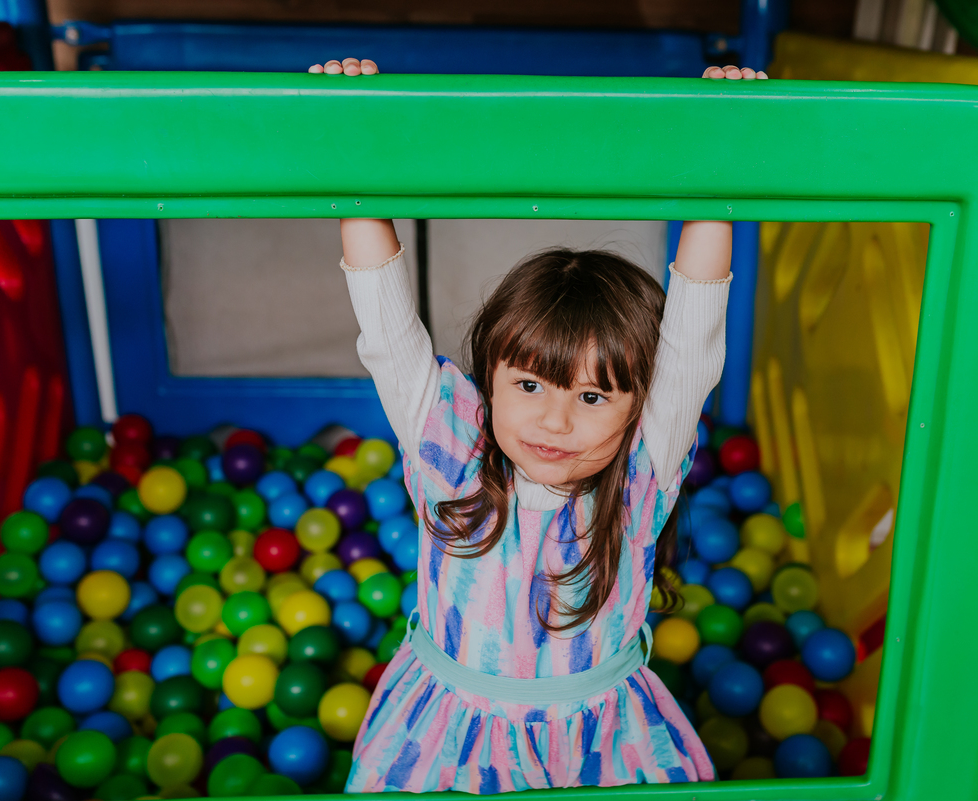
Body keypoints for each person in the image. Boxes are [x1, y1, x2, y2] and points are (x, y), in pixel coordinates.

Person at [307, 57, 767, 793]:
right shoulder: (451, 451)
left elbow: (692, 337)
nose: (555, 419)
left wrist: (724, 151)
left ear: (638, 405)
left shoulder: (641, 474)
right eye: (528, 384)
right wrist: (353, 138)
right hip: (447, 732)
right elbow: (388, 332)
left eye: (593, 397)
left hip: (597, 740)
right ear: (487, 379)